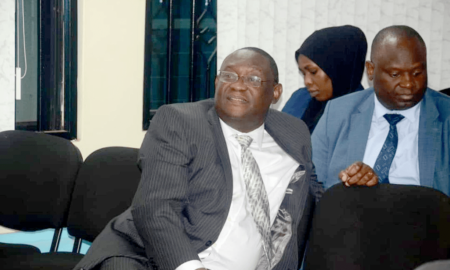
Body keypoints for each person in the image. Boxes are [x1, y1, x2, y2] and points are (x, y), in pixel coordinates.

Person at [74, 47, 376, 270]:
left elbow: (310, 198)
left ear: (276, 92)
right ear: (217, 82)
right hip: (152, 259)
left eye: (254, 79)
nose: (238, 84)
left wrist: (354, 183)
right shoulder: (180, 121)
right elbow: (155, 208)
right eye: (228, 75)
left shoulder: (293, 132)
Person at [312, 25, 450, 195]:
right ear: (371, 70)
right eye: (395, 74)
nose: (408, 83)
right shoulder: (338, 113)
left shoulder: (446, 116)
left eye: (417, 73)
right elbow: (311, 184)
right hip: (351, 218)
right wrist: (349, 184)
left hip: (426, 219)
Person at [282, 25, 367, 132]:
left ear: (338, 67)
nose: (307, 81)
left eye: (313, 72)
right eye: (303, 73)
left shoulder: (362, 112)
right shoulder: (300, 98)